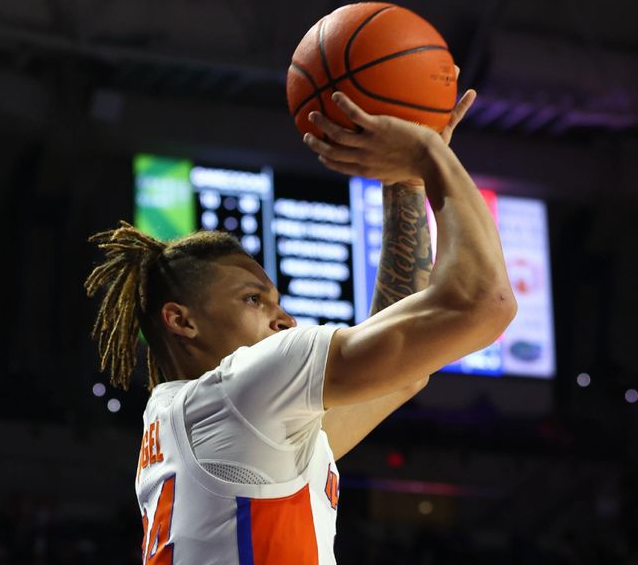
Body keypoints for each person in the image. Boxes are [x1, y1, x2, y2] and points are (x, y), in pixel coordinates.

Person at [84, 84, 516, 564]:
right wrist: (428, 154)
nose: (284, 318)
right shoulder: (239, 388)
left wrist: (406, 181)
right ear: (181, 321)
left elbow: (404, 371)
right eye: (254, 300)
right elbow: (485, 303)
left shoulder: (203, 417)